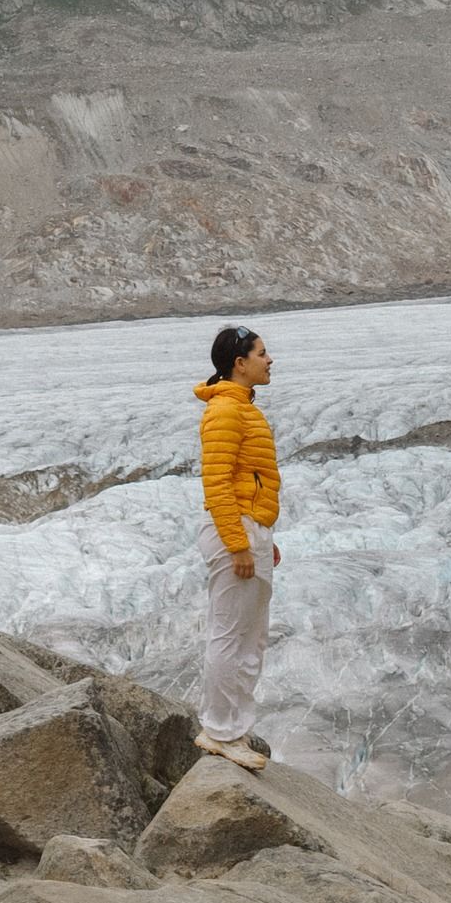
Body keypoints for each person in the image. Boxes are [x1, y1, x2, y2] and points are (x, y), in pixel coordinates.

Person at [192, 323, 280, 770]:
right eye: (263, 353)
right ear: (239, 363)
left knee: (251, 637)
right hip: (236, 534)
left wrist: (264, 538)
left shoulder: (241, 408)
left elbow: (249, 482)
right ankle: (220, 732)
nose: (271, 360)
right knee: (230, 635)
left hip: (250, 530)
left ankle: (233, 727)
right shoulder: (225, 411)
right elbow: (218, 485)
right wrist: (239, 544)